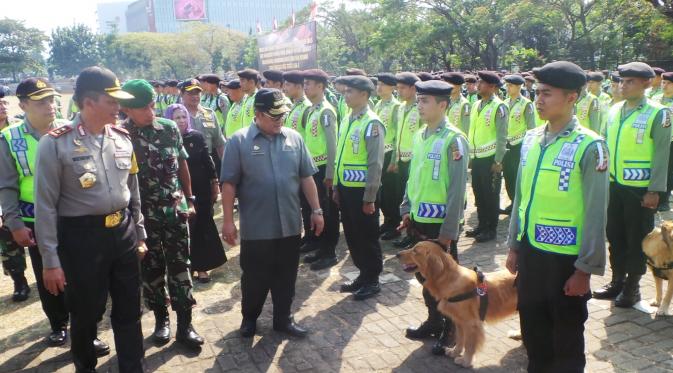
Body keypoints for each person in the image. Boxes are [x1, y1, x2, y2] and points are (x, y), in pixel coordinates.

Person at [35, 66, 146, 373]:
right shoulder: (55, 143)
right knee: (85, 312)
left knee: (129, 308)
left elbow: (132, 190)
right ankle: (86, 366)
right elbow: (45, 207)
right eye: (112, 102)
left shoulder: (123, 138)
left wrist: (140, 232)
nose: (119, 108)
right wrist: (50, 260)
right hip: (82, 238)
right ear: (88, 102)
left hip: (122, 232)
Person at [505, 60, 608, 373]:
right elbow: (521, 198)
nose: (538, 99)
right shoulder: (532, 139)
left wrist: (585, 269)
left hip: (567, 261)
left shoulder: (590, 146)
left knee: (566, 336)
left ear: (572, 98)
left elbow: (595, 211)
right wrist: (514, 244)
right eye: (537, 92)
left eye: (547, 93)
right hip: (533, 252)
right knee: (533, 327)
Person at [220, 88, 324, 338]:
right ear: (258, 114)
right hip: (257, 227)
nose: (280, 121)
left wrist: (317, 210)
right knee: (255, 277)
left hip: (289, 225)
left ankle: (283, 319)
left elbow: (306, 177)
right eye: (274, 116)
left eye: (282, 116)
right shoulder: (239, 141)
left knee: (286, 277)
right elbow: (229, 183)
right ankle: (249, 319)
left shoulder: (294, 138)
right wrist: (227, 222)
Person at [120, 80, 204, 349]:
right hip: (143, 219)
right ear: (127, 109)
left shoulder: (168, 129)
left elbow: (182, 165)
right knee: (151, 271)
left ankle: (185, 325)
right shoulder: (120, 136)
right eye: (142, 107)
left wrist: (190, 199)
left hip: (174, 214)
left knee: (181, 267)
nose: (149, 111)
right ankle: (161, 320)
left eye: (152, 105)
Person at [0, 79, 76, 346]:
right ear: (23, 105)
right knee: (48, 273)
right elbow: (7, 186)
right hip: (35, 221)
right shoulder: (10, 138)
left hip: (72, 217)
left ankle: (83, 328)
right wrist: (15, 223)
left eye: (51, 99)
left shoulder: (69, 130)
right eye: (41, 101)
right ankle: (58, 324)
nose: (50, 105)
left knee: (78, 273)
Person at [398, 80, 468, 356]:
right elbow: (413, 177)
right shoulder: (420, 135)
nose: (420, 105)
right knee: (425, 278)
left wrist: (448, 232)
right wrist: (406, 210)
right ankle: (433, 320)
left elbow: (457, 189)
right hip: (419, 221)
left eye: (425, 101)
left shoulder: (454, 139)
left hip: (440, 227)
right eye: (419, 100)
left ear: (442, 104)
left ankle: (451, 328)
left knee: (447, 281)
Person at [593, 62, 672, 308]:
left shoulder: (658, 113)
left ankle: (633, 286)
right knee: (614, 235)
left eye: (630, 82)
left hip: (640, 190)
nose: (623, 86)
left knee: (637, 238)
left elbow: (662, 155)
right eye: (621, 81)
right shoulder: (615, 110)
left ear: (648, 84)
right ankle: (617, 280)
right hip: (614, 185)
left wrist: (655, 191)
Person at [334, 75, 385, 300]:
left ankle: (372, 279)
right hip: (346, 188)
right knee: (353, 235)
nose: (346, 95)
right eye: (345, 92)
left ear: (364, 95)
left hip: (363, 191)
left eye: (350, 92)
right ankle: (362, 275)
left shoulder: (371, 123)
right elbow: (340, 155)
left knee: (367, 236)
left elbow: (375, 163)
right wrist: (336, 185)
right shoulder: (347, 118)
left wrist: (370, 197)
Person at [166, 103, 226, 281]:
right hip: (177, 190)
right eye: (177, 117)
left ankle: (203, 268)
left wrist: (215, 183)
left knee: (202, 225)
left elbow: (207, 161)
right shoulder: (165, 138)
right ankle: (187, 267)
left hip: (201, 189)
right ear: (169, 119)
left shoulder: (196, 136)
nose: (182, 120)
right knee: (184, 228)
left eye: (184, 117)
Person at [300, 69, 340, 270]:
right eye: (305, 83)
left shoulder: (326, 111)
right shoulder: (312, 110)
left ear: (321, 87)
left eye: (309, 83)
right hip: (313, 167)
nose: (305, 87)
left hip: (324, 169)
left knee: (328, 212)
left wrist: (331, 174)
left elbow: (332, 144)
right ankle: (320, 247)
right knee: (317, 209)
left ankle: (330, 252)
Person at [466, 71, 508, 242]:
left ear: (492, 87)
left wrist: (498, 160)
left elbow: (502, 136)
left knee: (491, 195)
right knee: (479, 193)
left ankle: (491, 229)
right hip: (477, 157)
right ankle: (482, 225)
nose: (478, 85)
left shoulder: (499, 106)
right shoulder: (477, 105)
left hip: (490, 158)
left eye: (482, 82)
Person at [391, 72, 421, 247]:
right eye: (398, 87)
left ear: (413, 88)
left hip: (414, 160)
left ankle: (414, 234)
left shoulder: (420, 108)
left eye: (402, 88)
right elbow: (397, 136)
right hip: (402, 159)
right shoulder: (401, 107)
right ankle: (407, 231)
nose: (399, 91)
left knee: (414, 198)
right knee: (404, 198)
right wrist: (395, 159)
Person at [502, 74, 535, 215]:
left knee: (518, 176)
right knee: (508, 175)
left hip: (519, 144)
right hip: (506, 143)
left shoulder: (526, 104)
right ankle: (513, 201)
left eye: (510, 85)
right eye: (507, 85)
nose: (507, 88)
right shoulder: (504, 102)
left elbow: (531, 127)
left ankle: (521, 203)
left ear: (518, 87)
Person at [374, 73, 402, 240]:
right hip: (378, 153)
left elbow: (398, 133)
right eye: (378, 84)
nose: (379, 87)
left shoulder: (396, 106)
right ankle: (388, 220)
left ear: (392, 88)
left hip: (390, 153)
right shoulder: (378, 104)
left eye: (383, 85)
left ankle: (395, 224)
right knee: (382, 192)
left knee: (391, 192)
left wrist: (394, 160)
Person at [180, 78, 225, 177]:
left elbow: (219, 142)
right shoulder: (177, 114)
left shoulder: (209, 113)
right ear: (182, 94)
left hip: (208, 164)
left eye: (197, 93)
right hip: (185, 165)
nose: (195, 96)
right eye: (190, 93)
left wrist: (226, 167)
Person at [656, 72, 673, 211]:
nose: (664, 85)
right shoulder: (655, 99)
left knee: (668, 171)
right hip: (654, 139)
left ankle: (664, 199)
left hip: (671, 141)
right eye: (663, 82)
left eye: (668, 83)